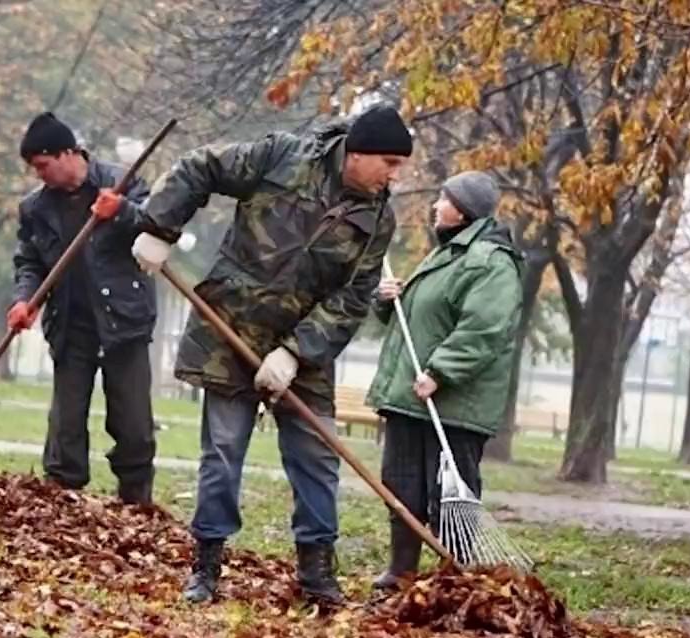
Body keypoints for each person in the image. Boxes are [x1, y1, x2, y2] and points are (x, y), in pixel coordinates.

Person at [90, 104, 413, 604]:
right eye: (390, 162)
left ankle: (317, 575)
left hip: (304, 351)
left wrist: (294, 354)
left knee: (317, 458)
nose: (396, 174)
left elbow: (351, 298)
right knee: (222, 453)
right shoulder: (283, 157)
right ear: (358, 153)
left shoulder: (377, 221)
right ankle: (207, 566)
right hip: (230, 330)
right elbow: (203, 166)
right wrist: (159, 227)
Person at [363, 171, 524, 590]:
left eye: (444, 198)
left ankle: (453, 578)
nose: (436, 204)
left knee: (450, 495)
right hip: (410, 399)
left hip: (452, 404)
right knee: (402, 486)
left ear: (464, 209)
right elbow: (422, 318)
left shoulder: (490, 261)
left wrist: (441, 371)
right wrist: (390, 301)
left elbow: (484, 328)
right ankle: (402, 572)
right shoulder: (446, 254)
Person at [10, 112, 157, 504]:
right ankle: (62, 501)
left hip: (123, 322)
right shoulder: (35, 208)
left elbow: (158, 225)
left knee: (133, 425)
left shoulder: (123, 183)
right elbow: (29, 262)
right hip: (70, 324)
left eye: (42, 165)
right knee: (66, 423)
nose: (39, 175)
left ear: (67, 153)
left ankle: (136, 502)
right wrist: (25, 300)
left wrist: (122, 211)